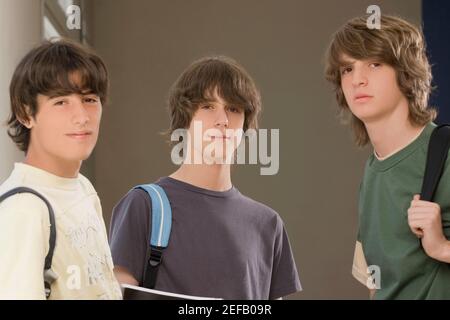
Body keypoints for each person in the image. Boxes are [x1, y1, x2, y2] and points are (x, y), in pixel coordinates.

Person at [109, 56, 301, 299]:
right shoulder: (144, 205)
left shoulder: (268, 224)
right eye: (208, 106)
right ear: (185, 118)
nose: (222, 120)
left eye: (233, 108)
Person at [325, 15, 450, 299]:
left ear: (406, 73)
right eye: (347, 69)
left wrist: (441, 247)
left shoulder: (446, 155)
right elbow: (376, 285)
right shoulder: (373, 172)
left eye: (375, 64)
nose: (357, 79)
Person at [0, 39, 122, 299]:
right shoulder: (24, 210)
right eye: (61, 102)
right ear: (25, 113)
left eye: (90, 99)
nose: (81, 116)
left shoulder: (83, 187)